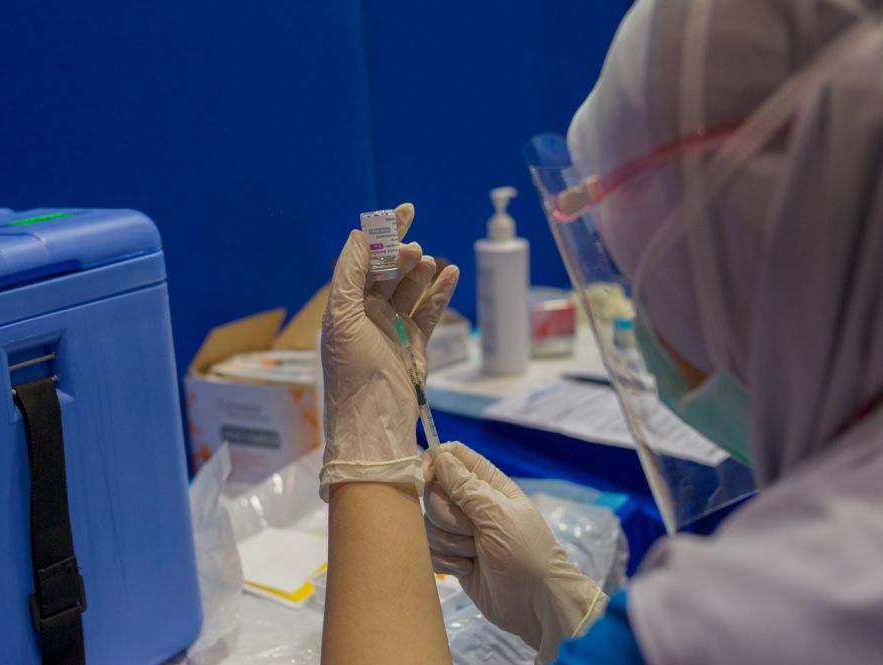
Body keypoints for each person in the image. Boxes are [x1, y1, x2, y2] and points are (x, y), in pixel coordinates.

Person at [319, 1, 883, 663]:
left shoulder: (744, 616)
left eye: (638, 279)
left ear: (744, 270)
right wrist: (566, 607)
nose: (640, 324)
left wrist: (369, 442)